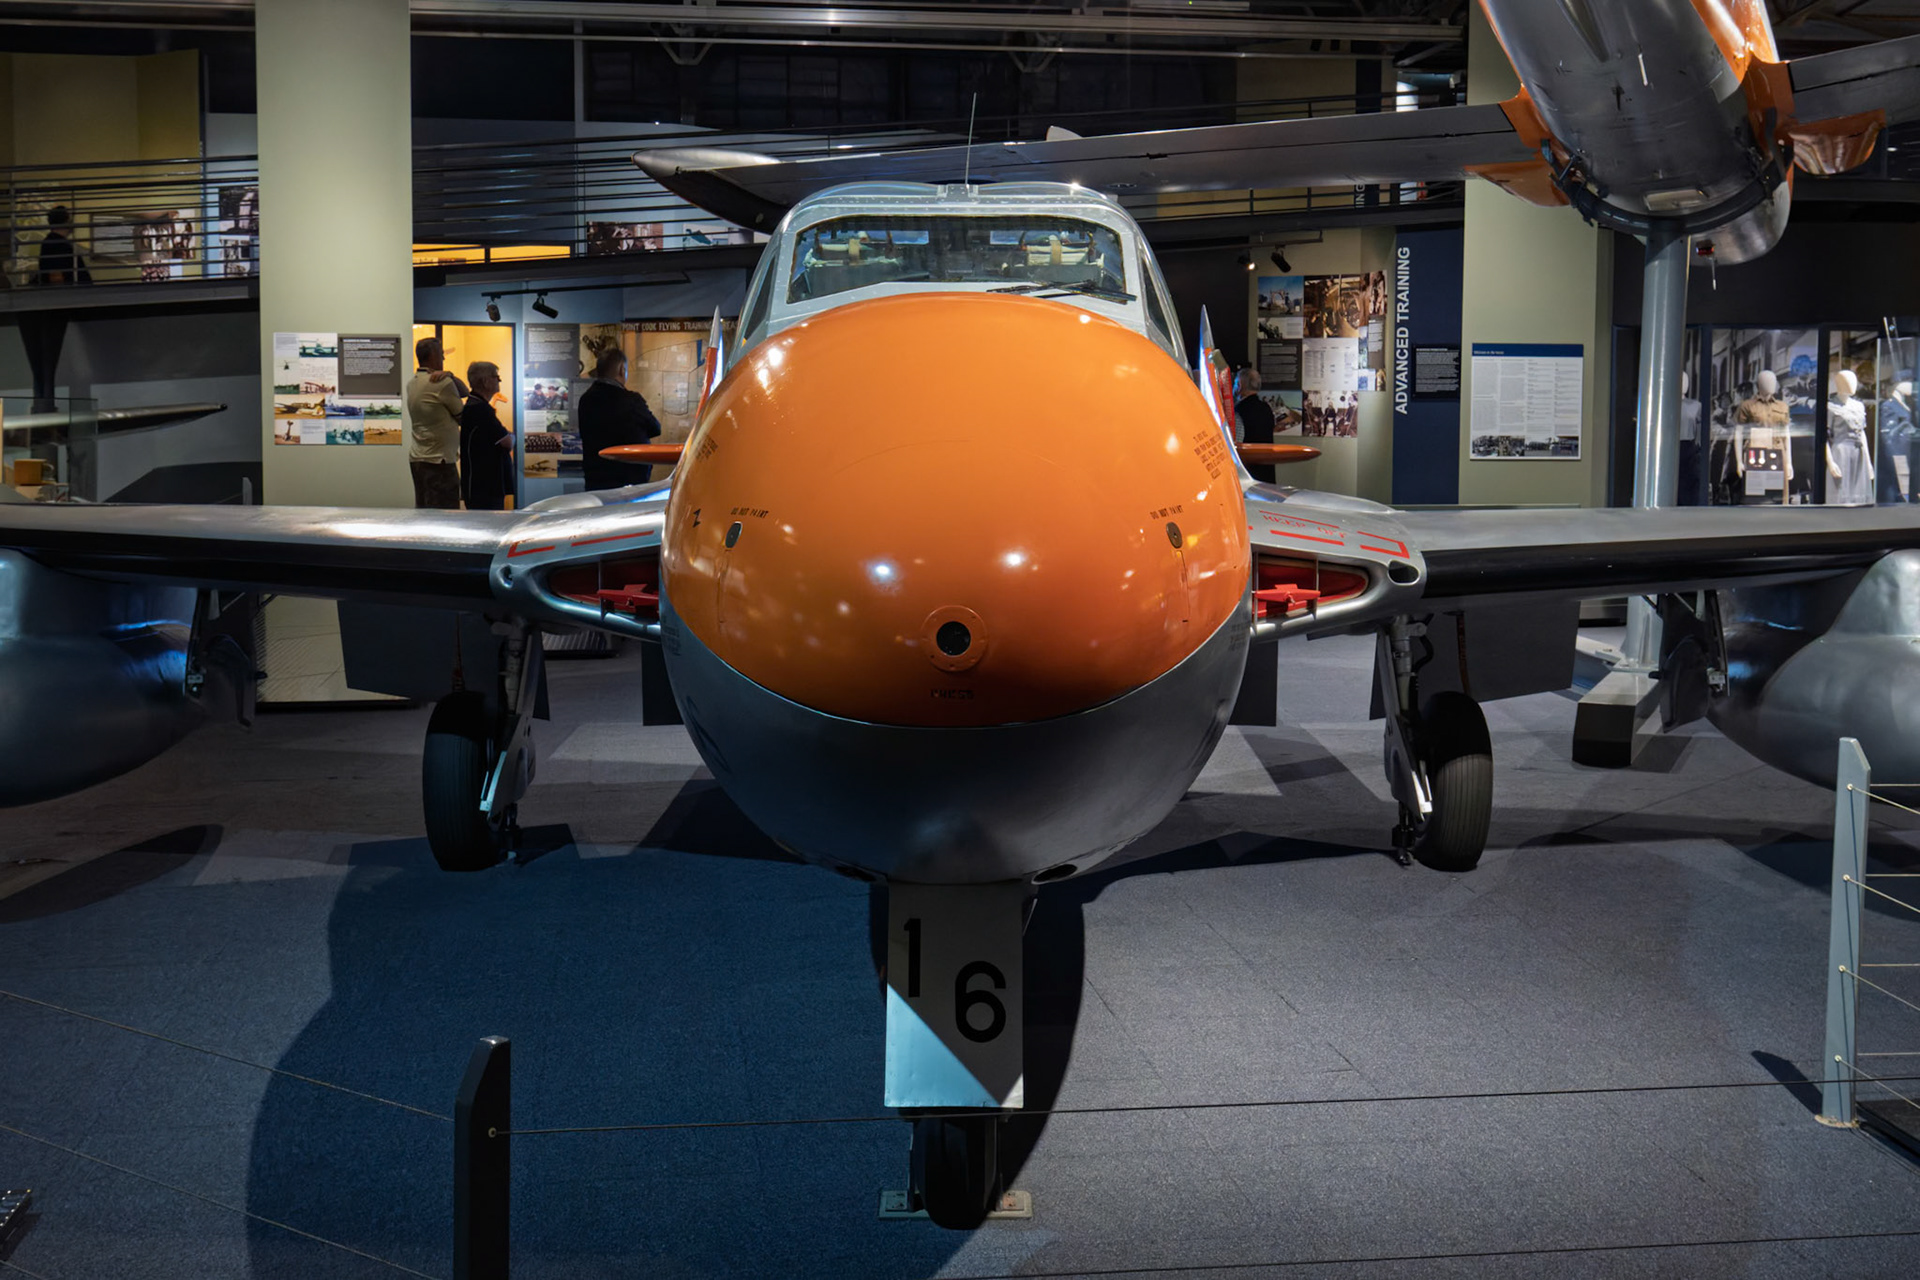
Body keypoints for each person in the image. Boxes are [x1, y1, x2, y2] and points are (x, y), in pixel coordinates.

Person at [20, 206, 90, 412]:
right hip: (59, 305)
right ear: (66, 222)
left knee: (45, 365)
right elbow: (60, 275)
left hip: (52, 304)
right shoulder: (59, 245)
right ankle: (46, 402)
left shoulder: (50, 243)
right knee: (51, 359)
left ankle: (45, 401)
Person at [577, 347, 662, 489]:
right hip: (627, 484)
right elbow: (655, 428)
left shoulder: (585, 400)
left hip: (596, 482)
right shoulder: (631, 401)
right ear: (622, 370)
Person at [406, 335, 466, 509]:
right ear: (432, 356)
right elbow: (463, 412)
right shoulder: (442, 384)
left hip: (418, 458)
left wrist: (450, 375)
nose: (444, 358)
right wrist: (450, 377)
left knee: (424, 510)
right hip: (440, 461)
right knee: (446, 515)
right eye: (441, 354)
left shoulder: (412, 383)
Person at [459, 361, 515, 511]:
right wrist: (511, 435)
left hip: (481, 486)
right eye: (496, 377)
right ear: (485, 381)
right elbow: (507, 442)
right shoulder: (481, 410)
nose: (499, 381)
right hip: (485, 487)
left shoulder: (475, 406)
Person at [1233, 368, 1277, 484]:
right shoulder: (1266, 409)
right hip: (1267, 475)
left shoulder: (1239, 411)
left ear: (1239, 385)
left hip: (1247, 478)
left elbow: (1236, 446)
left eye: (1235, 383)